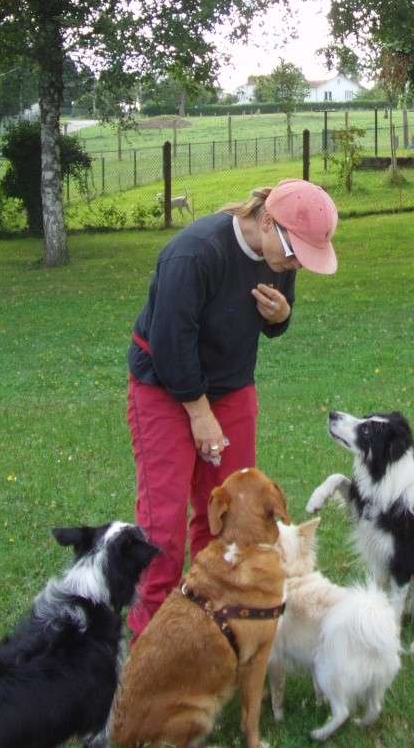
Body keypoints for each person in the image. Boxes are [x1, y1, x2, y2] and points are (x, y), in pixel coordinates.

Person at [126, 178, 338, 639]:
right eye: (294, 253)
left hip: (230, 384)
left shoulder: (281, 250)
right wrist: (199, 414)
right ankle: (151, 639)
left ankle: (209, 622)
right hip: (164, 384)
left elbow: (274, 319)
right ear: (266, 220)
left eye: (302, 257)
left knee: (230, 512)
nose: (295, 263)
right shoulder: (195, 253)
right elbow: (169, 343)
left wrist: (281, 317)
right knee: (162, 525)